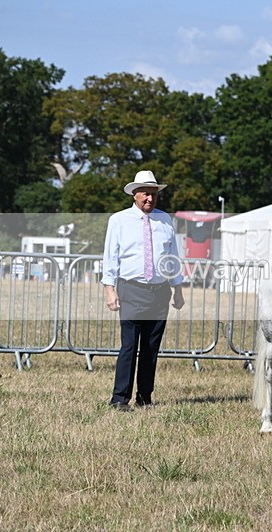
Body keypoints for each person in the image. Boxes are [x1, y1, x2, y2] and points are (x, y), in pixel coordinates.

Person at [102, 170, 185, 411]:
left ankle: (145, 397)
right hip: (131, 289)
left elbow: (172, 257)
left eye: (153, 195)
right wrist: (110, 289)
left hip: (159, 292)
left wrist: (177, 288)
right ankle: (119, 399)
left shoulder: (165, 220)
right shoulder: (119, 220)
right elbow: (110, 256)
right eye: (145, 195)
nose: (150, 199)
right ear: (135, 195)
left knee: (151, 347)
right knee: (129, 346)